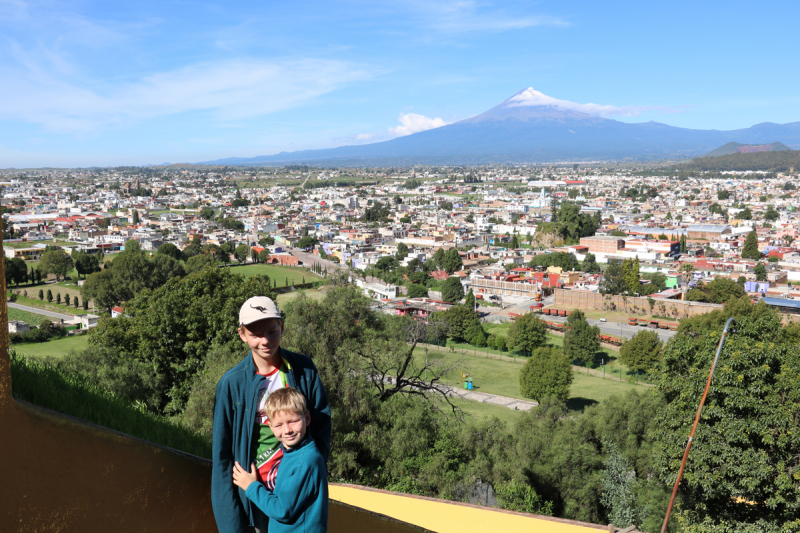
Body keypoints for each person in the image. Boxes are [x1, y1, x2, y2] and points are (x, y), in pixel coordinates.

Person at [212, 296, 331, 533]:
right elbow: (222, 455)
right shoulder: (231, 384)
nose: (265, 340)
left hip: (295, 491)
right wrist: (230, 522)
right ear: (242, 334)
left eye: (272, 331)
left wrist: (309, 476)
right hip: (253, 493)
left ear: (282, 327)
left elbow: (321, 425)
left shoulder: (303, 369)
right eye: (255, 334)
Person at [232, 387, 328, 533]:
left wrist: (251, 486)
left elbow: (282, 510)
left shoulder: (305, 462)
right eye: (279, 425)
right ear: (270, 426)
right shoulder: (293, 454)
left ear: (307, 419)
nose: (287, 430)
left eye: (293, 421)